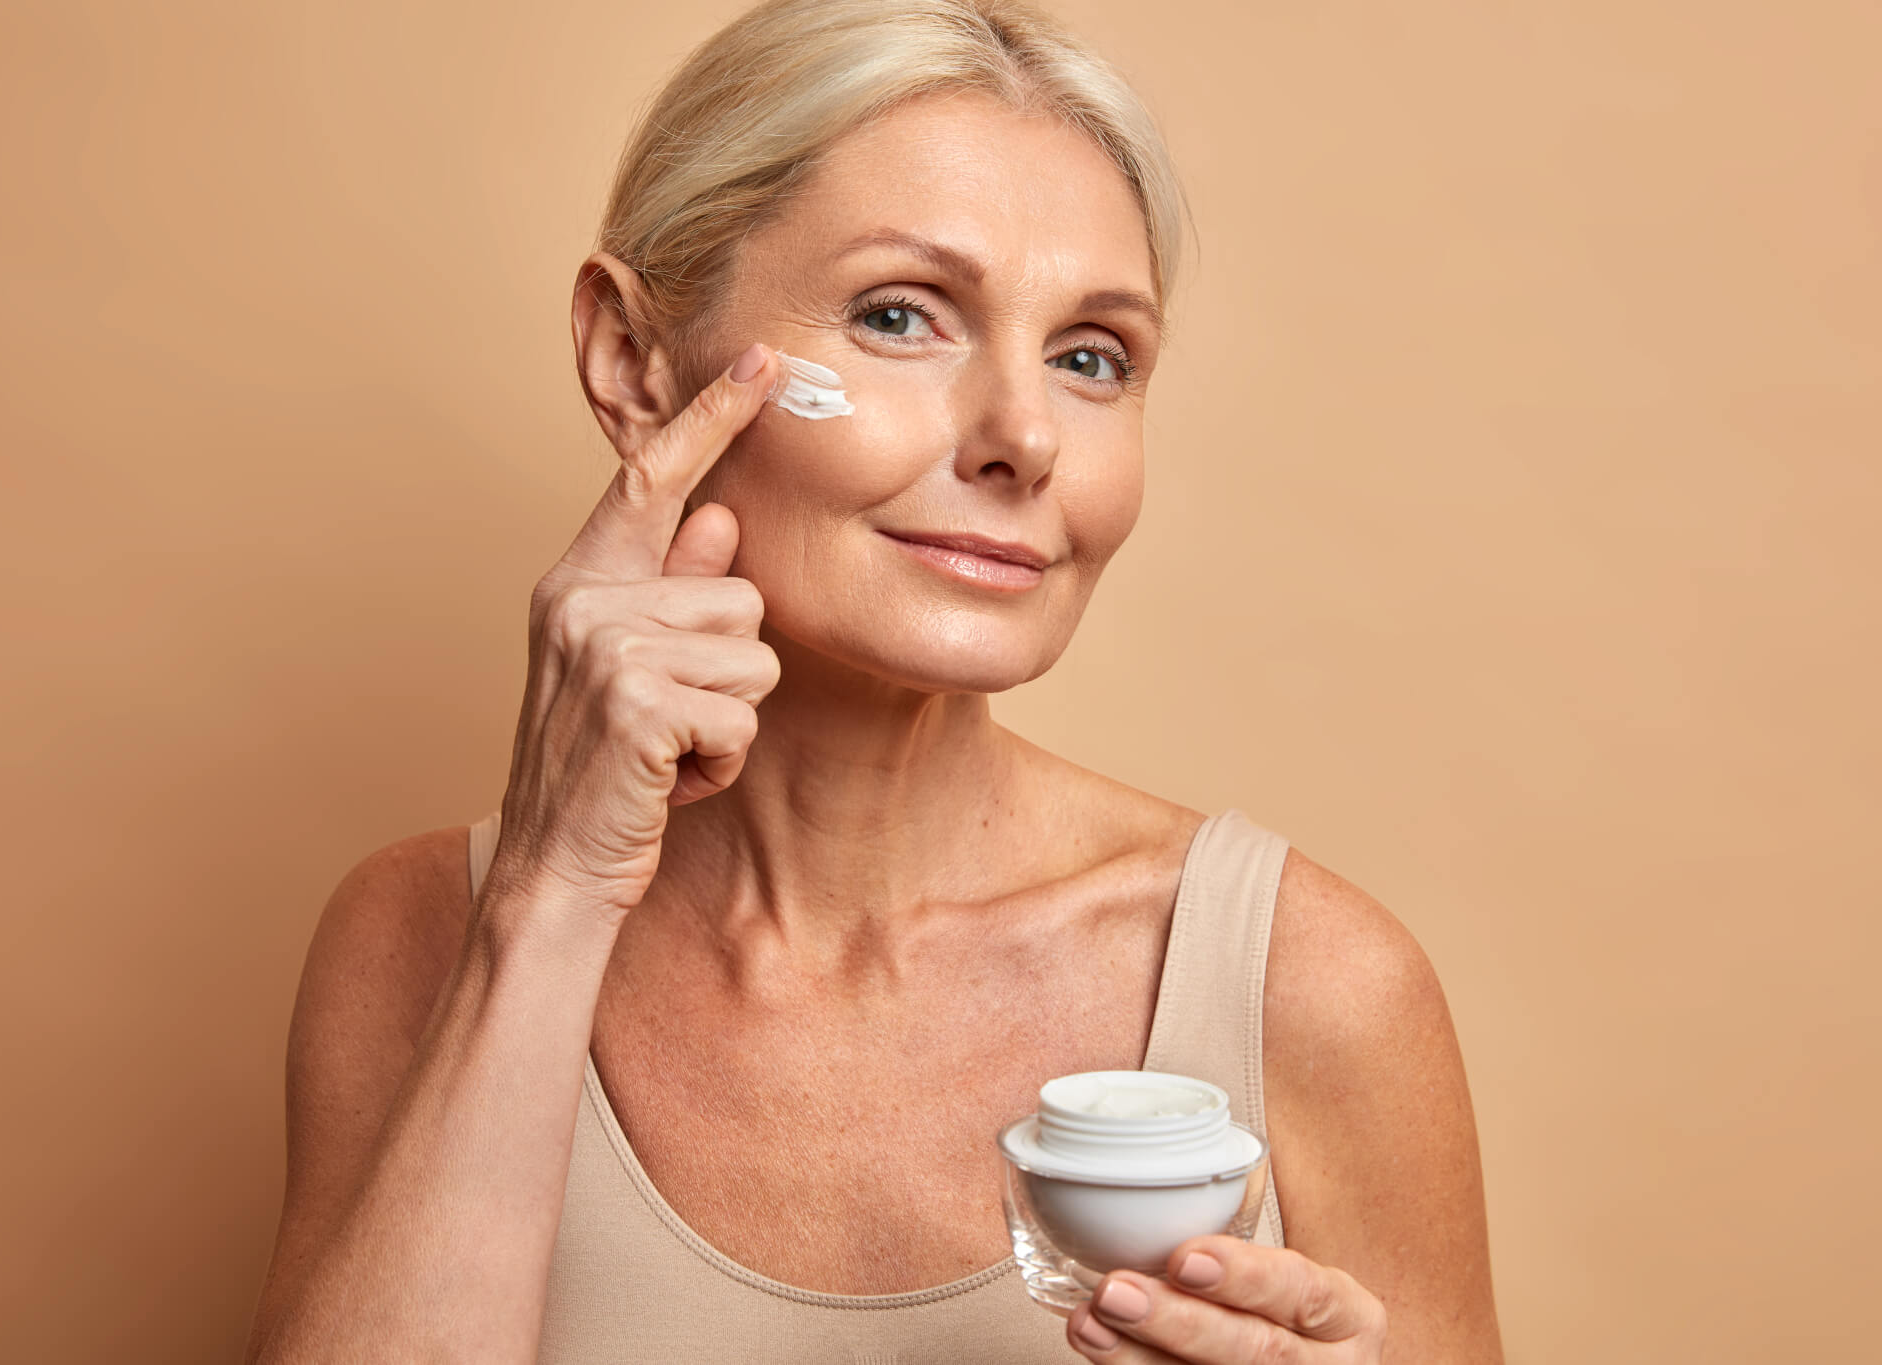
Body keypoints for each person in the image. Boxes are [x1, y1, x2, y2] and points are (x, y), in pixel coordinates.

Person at [241, 1, 1502, 1360]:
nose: (1024, 435)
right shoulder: (416, 941)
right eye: (901, 315)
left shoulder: (1316, 989)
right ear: (633, 361)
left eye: (1091, 356)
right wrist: (551, 899)